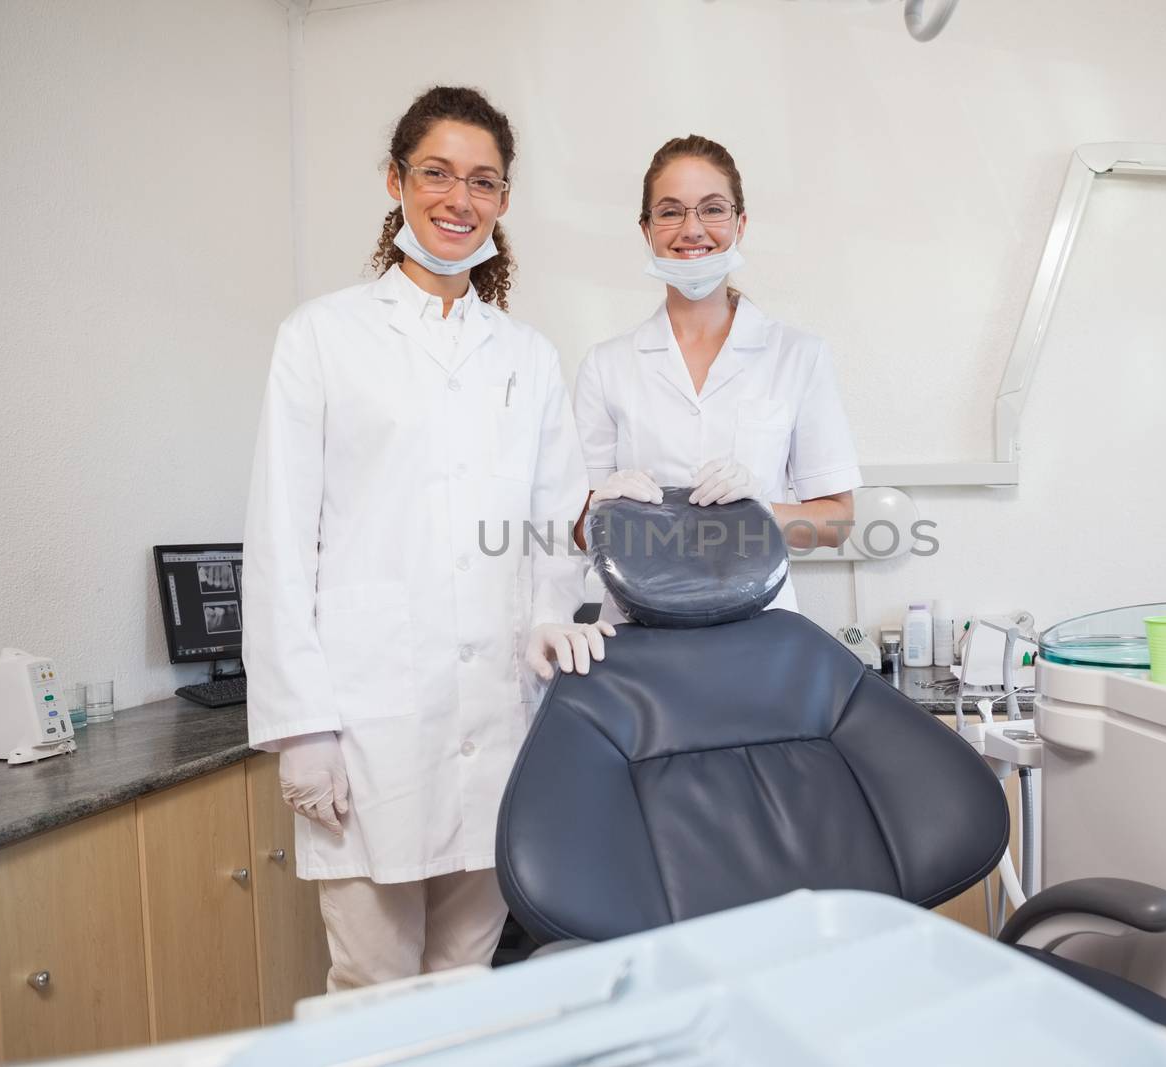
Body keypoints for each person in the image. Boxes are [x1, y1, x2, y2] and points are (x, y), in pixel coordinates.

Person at [242, 86, 611, 991]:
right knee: (374, 987)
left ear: (505, 200)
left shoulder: (525, 355)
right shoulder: (322, 337)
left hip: (497, 712)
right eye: (437, 173)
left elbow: (552, 530)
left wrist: (547, 617)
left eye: (483, 181)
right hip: (369, 721)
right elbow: (280, 539)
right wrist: (302, 728)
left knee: (464, 979)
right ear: (396, 181)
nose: (459, 199)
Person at [574, 135, 862, 619]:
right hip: (635, 631)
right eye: (670, 212)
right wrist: (603, 513)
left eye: (712, 209)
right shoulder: (607, 365)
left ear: (740, 223)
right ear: (646, 229)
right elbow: (578, 526)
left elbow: (837, 520)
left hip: (758, 629)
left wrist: (761, 513)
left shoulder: (798, 355)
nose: (692, 229)